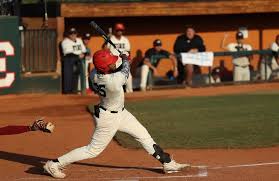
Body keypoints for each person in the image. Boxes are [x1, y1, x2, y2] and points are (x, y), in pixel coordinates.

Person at [43, 50, 189, 179]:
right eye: (111, 63)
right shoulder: (113, 82)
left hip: (120, 113)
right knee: (92, 150)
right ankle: (54, 164)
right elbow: (124, 70)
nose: (114, 63)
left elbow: (116, 68)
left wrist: (122, 59)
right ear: (105, 68)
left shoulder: (95, 74)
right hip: (108, 119)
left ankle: (167, 162)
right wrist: (125, 59)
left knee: (143, 135)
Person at [106, 23, 133, 93]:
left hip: (123, 61)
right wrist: (106, 40)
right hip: (113, 62)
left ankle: (130, 94)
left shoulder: (125, 40)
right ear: (115, 30)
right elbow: (105, 50)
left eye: (121, 30)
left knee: (129, 77)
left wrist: (129, 59)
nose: (119, 31)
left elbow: (128, 51)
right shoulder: (111, 39)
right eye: (118, 30)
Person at [61, 27, 86, 94]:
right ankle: (68, 92)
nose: (73, 35)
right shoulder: (65, 42)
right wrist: (78, 55)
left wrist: (83, 54)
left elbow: (84, 50)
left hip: (79, 60)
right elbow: (68, 53)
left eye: (74, 33)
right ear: (68, 35)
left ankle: (75, 91)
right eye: (71, 34)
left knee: (76, 77)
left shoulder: (79, 40)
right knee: (68, 77)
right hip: (69, 60)